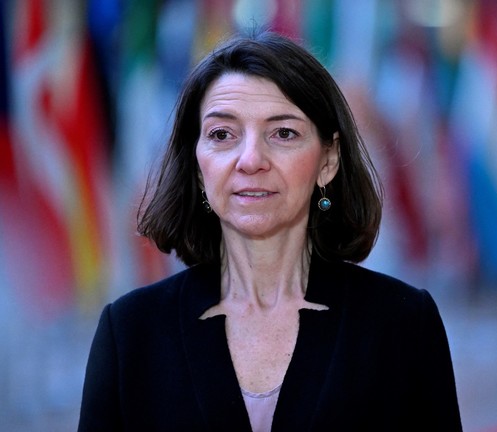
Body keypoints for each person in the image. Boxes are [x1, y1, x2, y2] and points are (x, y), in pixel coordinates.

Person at [78, 28, 462, 432]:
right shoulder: (130, 333)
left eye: (283, 133)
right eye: (222, 134)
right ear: (196, 164)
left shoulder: (401, 323)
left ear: (328, 161)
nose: (250, 159)